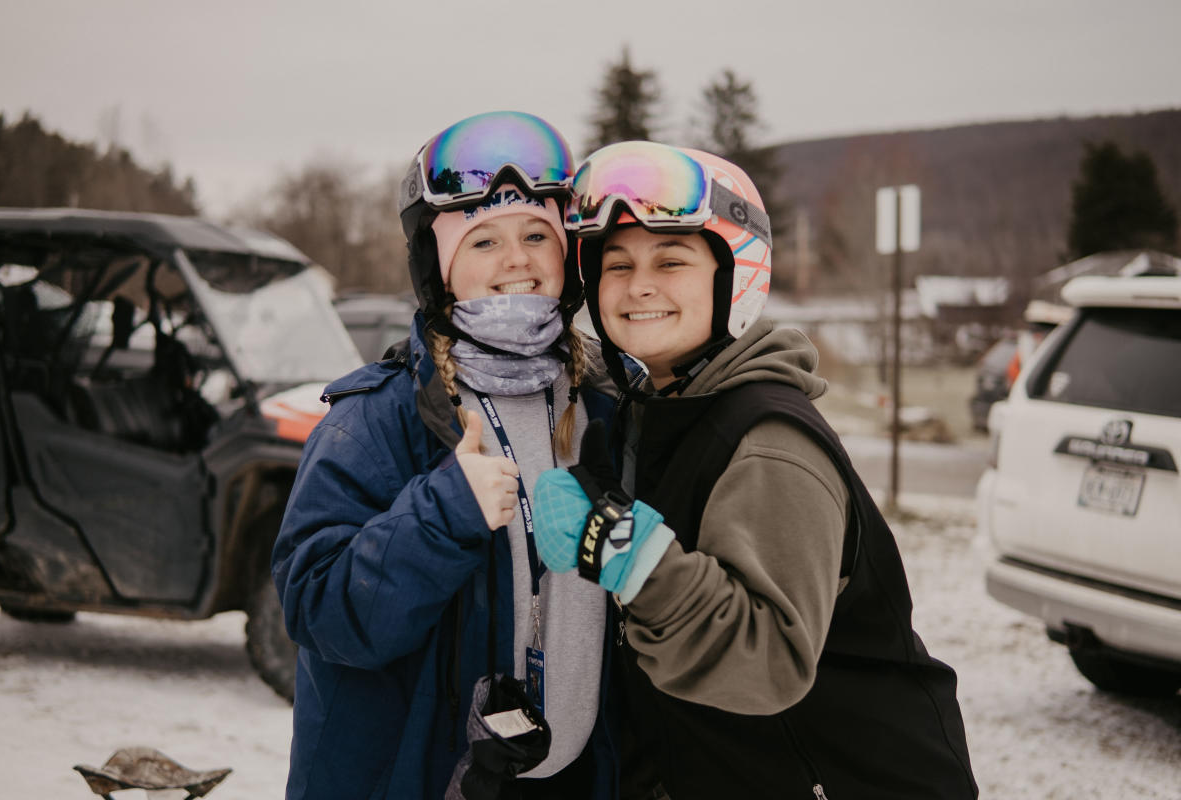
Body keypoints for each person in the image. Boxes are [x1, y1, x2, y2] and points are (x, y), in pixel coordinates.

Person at [533, 141, 978, 799]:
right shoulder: (661, 405)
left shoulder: (768, 440)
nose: (639, 285)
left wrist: (619, 546)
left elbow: (764, 661)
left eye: (672, 260)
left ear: (734, 274)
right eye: (616, 263)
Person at [271, 111, 621, 800]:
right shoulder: (377, 420)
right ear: (440, 266)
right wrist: (444, 511)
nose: (516, 260)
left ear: (567, 255)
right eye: (483, 240)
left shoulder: (609, 410)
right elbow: (317, 609)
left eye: (535, 236)